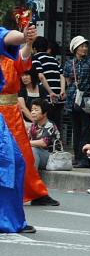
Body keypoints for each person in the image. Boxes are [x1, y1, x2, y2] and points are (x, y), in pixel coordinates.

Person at [0, 28, 59, 207]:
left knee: (24, 153)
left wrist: (28, 42)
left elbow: (23, 59)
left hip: (11, 113)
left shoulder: (10, 58)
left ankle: (35, 192)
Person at [0, 25, 38, 234]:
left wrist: (25, 38)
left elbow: (7, 37)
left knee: (14, 161)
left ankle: (10, 219)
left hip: (8, 113)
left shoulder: (6, 52)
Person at [63, 35, 90, 169]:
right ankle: (77, 157)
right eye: (81, 46)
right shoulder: (69, 63)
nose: (84, 48)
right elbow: (67, 80)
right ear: (75, 48)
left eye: (85, 46)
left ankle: (84, 158)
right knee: (76, 129)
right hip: (72, 99)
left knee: (86, 128)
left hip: (87, 98)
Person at [31, 37, 65, 130]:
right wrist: (62, 90)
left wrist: (50, 92)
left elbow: (41, 76)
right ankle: (57, 142)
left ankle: (47, 142)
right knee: (56, 122)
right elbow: (61, 75)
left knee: (46, 123)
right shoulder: (54, 59)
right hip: (59, 97)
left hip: (47, 97)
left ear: (34, 48)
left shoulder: (36, 58)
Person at [28, 99, 60, 170]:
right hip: (38, 154)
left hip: (51, 157)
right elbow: (27, 138)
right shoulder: (34, 125)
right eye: (32, 110)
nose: (33, 112)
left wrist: (26, 143)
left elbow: (44, 143)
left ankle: (33, 176)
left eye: (36, 110)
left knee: (33, 150)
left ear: (44, 113)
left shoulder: (50, 125)